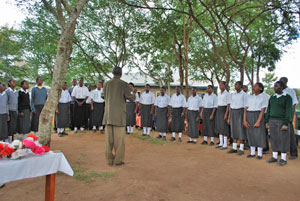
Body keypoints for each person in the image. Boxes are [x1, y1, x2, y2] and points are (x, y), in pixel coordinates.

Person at [102, 67, 135, 166]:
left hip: (108, 116)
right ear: (121, 74)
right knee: (119, 141)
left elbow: (102, 96)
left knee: (108, 140)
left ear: (112, 73)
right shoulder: (124, 84)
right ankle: (118, 160)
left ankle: (109, 160)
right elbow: (131, 98)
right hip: (119, 117)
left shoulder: (106, 84)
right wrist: (133, 93)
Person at [265, 81, 292, 166]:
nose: (275, 88)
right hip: (272, 120)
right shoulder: (272, 97)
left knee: (283, 139)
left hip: (281, 121)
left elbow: (288, 111)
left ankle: (283, 158)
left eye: (277, 86)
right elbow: (268, 109)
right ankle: (274, 157)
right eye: (274, 86)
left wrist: (286, 123)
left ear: (282, 87)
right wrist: (267, 121)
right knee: (274, 139)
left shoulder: (287, 98)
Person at [243, 83, 268, 159]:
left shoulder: (264, 97)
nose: (253, 88)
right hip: (249, 115)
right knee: (250, 134)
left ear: (260, 88)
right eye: (253, 86)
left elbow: (263, 110)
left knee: (259, 134)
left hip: (258, 115)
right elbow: (246, 109)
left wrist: (258, 121)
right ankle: (252, 152)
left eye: (256, 86)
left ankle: (260, 153)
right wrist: (244, 120)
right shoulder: (250, 97)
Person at [279, 77, 298, 159]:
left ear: (286, 82)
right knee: (280, 133)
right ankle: (280, 150)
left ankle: (293, 153)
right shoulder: (279, 91)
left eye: (283, 81)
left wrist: (292, 115)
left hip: (288, 114)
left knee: (290, 134)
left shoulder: (291, 91)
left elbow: (294, 104)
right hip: (279, 115)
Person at [227, 81, 248, 155]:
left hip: (241, 112)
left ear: (240, 86)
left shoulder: (244, 95)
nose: (235, 86)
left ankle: (241, 149)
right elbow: (230, 107)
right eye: (235, 84)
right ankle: (234, 147)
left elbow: (246, 107)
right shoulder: (232, 95)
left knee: (241, 130)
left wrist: (244, 118)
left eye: (236, 84)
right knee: (234, 129)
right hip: (233, 112)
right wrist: (229, 117)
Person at [215, 81, 231, 149]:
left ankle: (225, 144)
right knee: (219, 127)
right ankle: (221, 143)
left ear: (225, 86)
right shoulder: (219, 94)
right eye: (219, 85)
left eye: (221, 85)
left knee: (224, 127)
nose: (220, 86)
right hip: (219, 109)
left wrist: (226, 114)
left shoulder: (227, 94)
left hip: (224, 110)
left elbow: (228, 105)